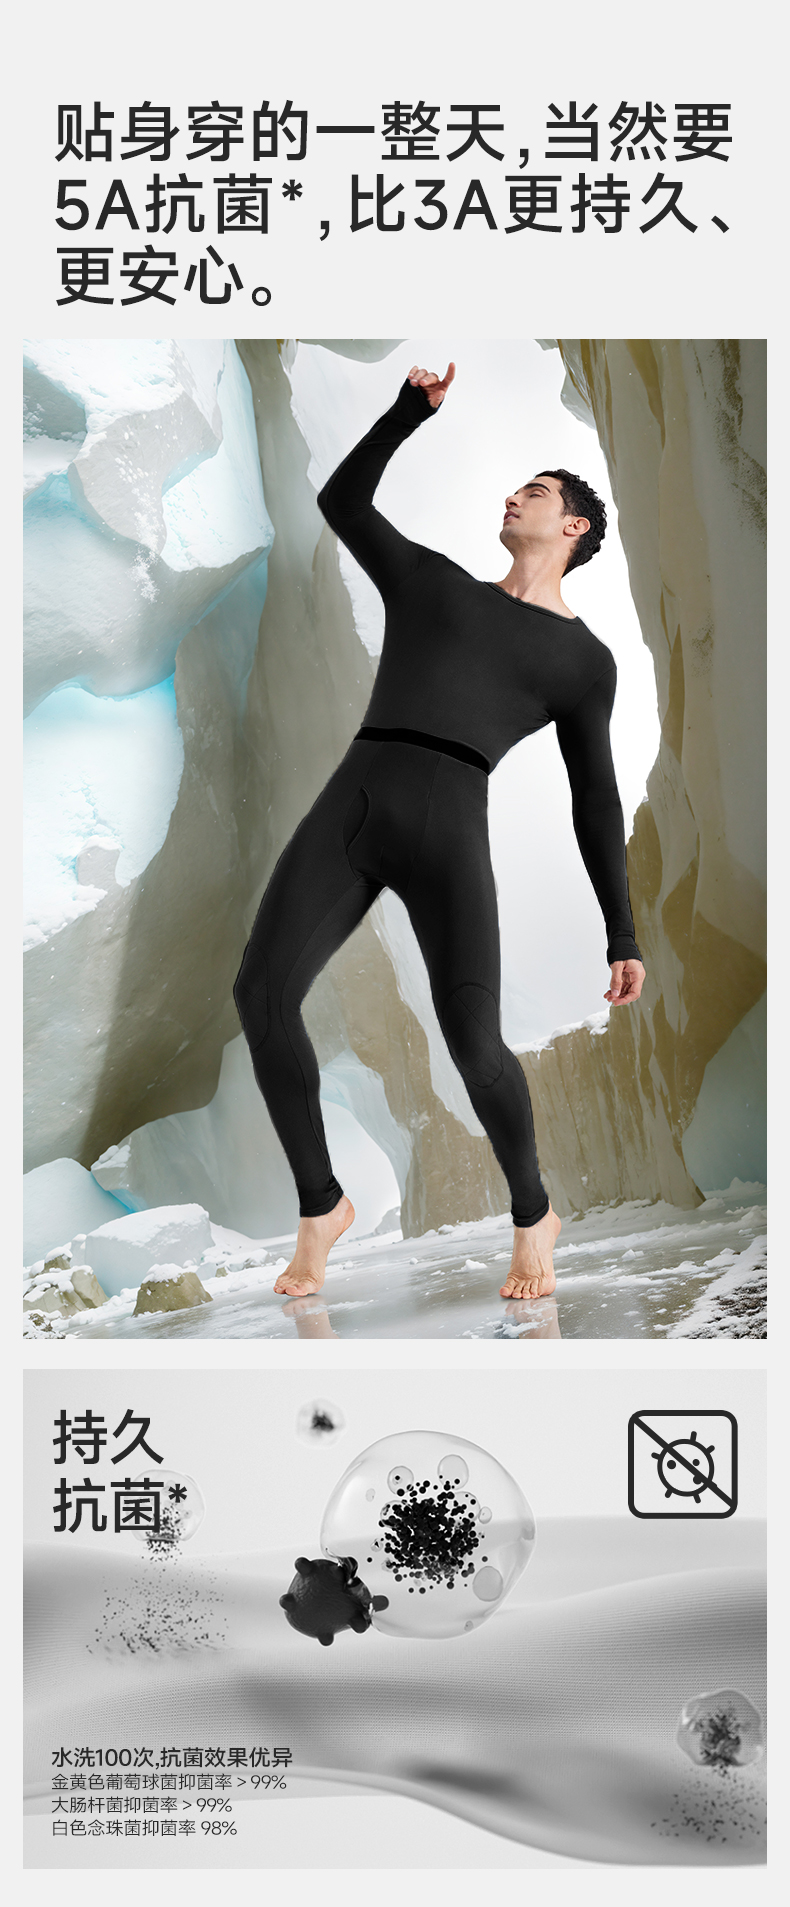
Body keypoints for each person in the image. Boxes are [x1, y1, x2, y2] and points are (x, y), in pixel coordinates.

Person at [234, 361, 645, 1304]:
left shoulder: (584, 661)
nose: (514, 497)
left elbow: (594, 798)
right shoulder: (432, 583)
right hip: (356, 801)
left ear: (574, 527)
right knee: (261, 990)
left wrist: (620, 930)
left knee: (474, 1043)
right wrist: (406, 412)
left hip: (452, 829)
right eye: (515, 487)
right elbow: (344, 502)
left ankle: (534, 1214)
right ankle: (321, 1204)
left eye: (535, 491)